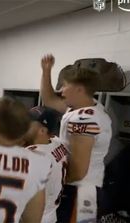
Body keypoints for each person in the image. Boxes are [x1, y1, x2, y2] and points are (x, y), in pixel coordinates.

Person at [40, 54, 112, 222]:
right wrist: (46, 71)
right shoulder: (85, 107)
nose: (61, 90)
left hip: (79, 191)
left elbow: (78, 170)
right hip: (85, 189)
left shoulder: (84, 119)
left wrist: (54, 185)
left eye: (65, 86)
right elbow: (49, 99)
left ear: (79, 89)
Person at [23, 106, 68, 223]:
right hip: (51, 214)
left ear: (42, 130)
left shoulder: (33, 155)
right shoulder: (57, 142)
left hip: (36, 217)